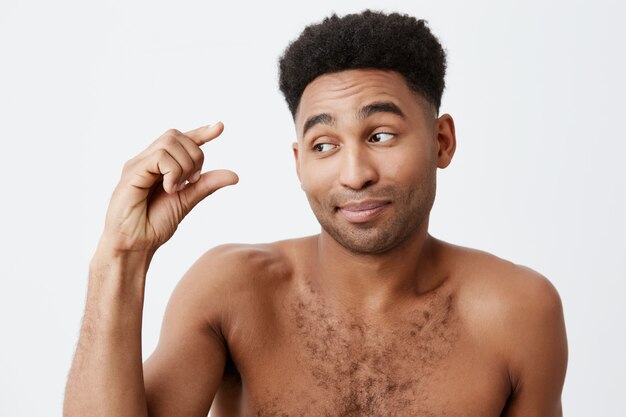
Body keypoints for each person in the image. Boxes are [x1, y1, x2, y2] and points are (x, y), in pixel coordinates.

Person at [64, 10, 568, 417]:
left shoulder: (518, 312)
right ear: (299, 163)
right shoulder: (235, 291)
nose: (354, 174)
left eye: (381, 136)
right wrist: (122, 256)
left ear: (442, 141)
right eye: (324, 144)